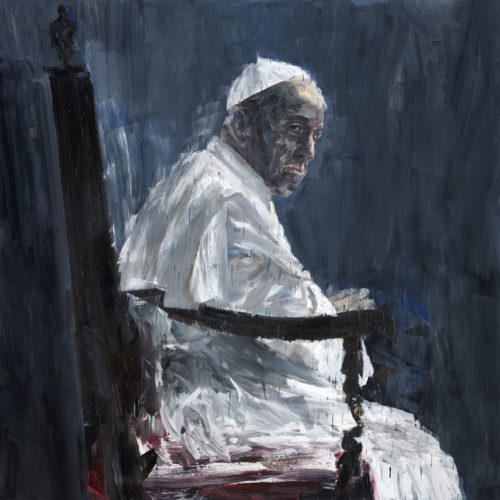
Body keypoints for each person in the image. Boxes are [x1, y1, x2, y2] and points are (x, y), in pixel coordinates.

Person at [119, 57, 462, 499]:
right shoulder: (227, 200)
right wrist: (338, 321)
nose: (309, 151)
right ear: (243, 125)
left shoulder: (200, 176)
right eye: (295, 129)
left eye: (315, 135)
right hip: (216, 410)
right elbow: (303, 341)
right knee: (413, 452)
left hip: (198, 391)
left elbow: (258, 300)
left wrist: (321, 308)